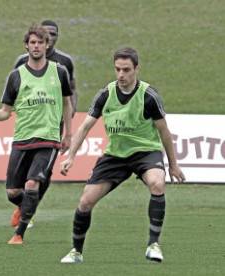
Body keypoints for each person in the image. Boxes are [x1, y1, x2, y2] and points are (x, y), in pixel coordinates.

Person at [59, 47, 185, 264]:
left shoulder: (149, 96)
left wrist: (173, 165)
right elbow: (85, 127)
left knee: (157, 183)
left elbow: (164, 131)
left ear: (136, 69)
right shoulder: (105, 94)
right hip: (116, 155)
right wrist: (71, 156)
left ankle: (153, 245)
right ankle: (76, 252)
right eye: (117, 69)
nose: (121, 75)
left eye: (126, 70)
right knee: (85, 202)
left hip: (145, 151)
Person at [0, 24, 73, 245]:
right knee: (13, 192)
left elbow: (67, 104)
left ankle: (19, 233)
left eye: (40, 42)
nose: (36, 46)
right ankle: (27, 207)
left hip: (48, 138)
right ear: (26, 45)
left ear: (46, 45)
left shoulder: (59, 71)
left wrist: (68, 133)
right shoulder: (16, 76)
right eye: (32, 42)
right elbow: (6, 111)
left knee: (32, 184)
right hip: (22, 139)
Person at [12, 20, 77, 229]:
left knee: (43, 173)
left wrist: (70, 117)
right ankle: (24, 205)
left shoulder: (64, 62)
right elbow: (16, 88)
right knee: (20, 180)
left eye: (53, 35)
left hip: (53, 124)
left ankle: (29, 211)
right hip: (29, 124)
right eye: (45, 34)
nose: (48, 39)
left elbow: (71, 90)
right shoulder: (22, 61)